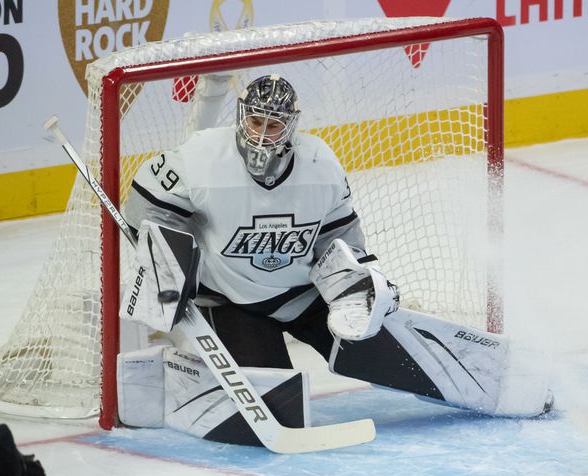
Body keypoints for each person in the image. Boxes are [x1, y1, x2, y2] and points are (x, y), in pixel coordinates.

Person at [119, 73, 552, 424]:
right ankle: (176, 373)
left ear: (291, 125)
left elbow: (338, 238)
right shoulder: (199, 158)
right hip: (231, 300)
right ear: (241, 117)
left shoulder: (320, 164)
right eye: (255, 123)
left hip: (303, 294)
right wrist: (170, 264)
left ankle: (505, 384)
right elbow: (146, 207)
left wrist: (358, 284)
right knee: (279, 413)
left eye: (273, 126)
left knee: (378, 346)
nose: (263, 136)